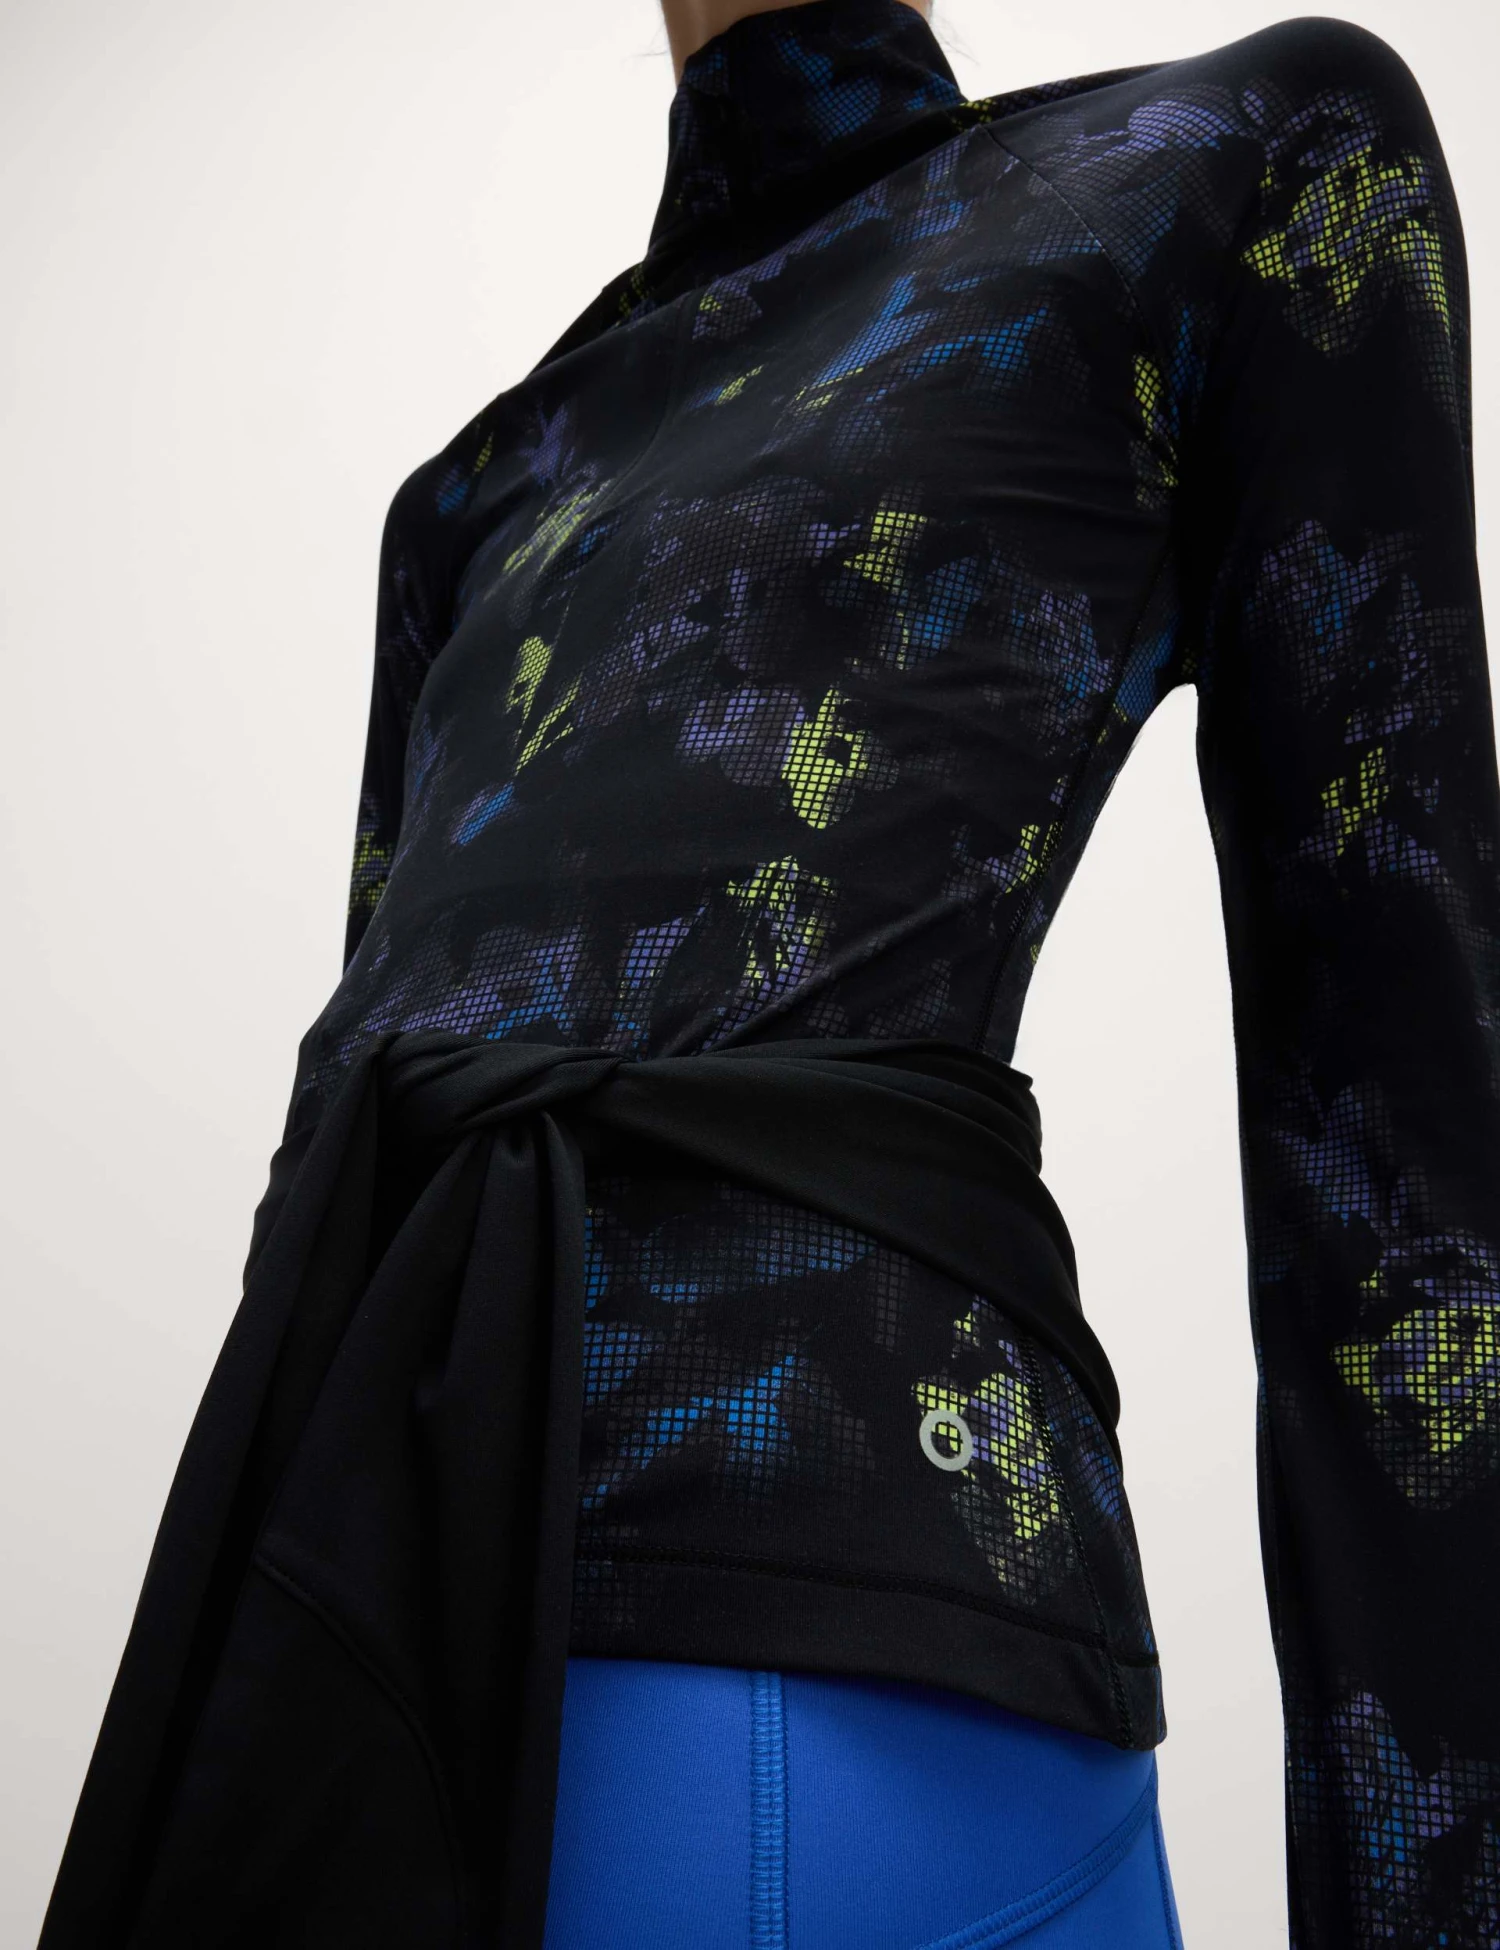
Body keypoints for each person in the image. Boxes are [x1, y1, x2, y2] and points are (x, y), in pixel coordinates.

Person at [37, 1, 1500, 1946]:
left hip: (832, 1639)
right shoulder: (473, 496)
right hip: (387, 1659)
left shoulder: (1225, 163)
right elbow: (355, 1180)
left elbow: (1395, 1185)